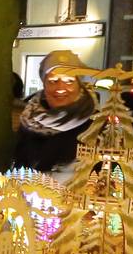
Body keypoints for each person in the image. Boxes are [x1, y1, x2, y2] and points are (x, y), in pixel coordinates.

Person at [14, 50, 95, 183]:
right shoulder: (29, 121)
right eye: (53, 81)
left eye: (69, 81)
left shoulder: (96, 125)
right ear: (44, 84)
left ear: (79, 85)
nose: (60, 87)